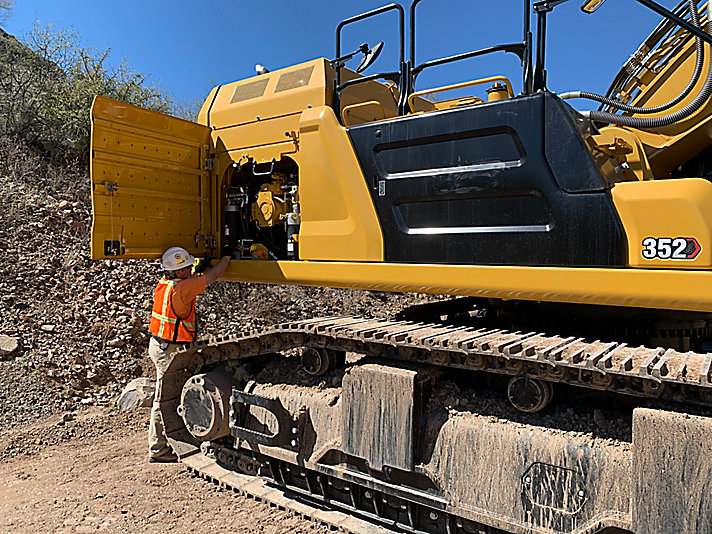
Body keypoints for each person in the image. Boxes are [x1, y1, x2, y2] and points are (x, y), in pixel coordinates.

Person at [147, 246, 231, 462]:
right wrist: (227, 257)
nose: (189, 269)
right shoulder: (182, 288)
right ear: (176, 271)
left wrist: (199, 265)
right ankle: (158, 449)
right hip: (170, 350)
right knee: (164, 398)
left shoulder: (166, 284)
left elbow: (193, 277)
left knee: (168, 394)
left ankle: (175, 438)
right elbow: (213, 276)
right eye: (185, 267)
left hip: (161, 345)